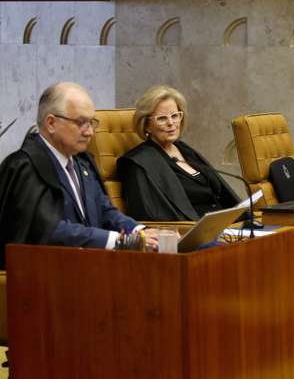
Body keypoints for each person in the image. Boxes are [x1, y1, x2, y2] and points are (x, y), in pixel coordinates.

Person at [0, 82, 158, 268]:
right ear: (51, 123)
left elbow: (104, 210)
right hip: (45, 277)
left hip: (88, 268)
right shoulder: (24, 166)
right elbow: (48, 231)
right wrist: (122, 241)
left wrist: (140, 231)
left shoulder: (82, 162)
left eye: (92, 122)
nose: (90, 132)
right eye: (81, 122)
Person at [118, 85, 240, 221]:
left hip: (224, 226)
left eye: (175, 116)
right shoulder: (138, 163)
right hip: (191, 234)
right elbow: (148, 215)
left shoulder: (184, 149)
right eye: (162, 118)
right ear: (146, 125)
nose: (171, 123)